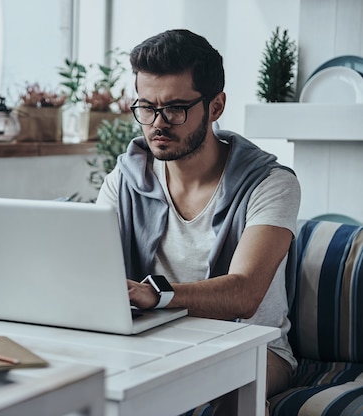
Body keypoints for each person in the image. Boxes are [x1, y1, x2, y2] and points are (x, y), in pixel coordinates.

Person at [96, 29, 300, 415]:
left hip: (253, 345)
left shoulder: (271, 184)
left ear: (216, 106)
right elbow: (89, 270)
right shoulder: (124, 180)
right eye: (145, 107)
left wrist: (157, 295)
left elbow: (244, 293)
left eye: (175, 108)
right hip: (151, 339)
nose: (157, 123)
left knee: (194, 392)